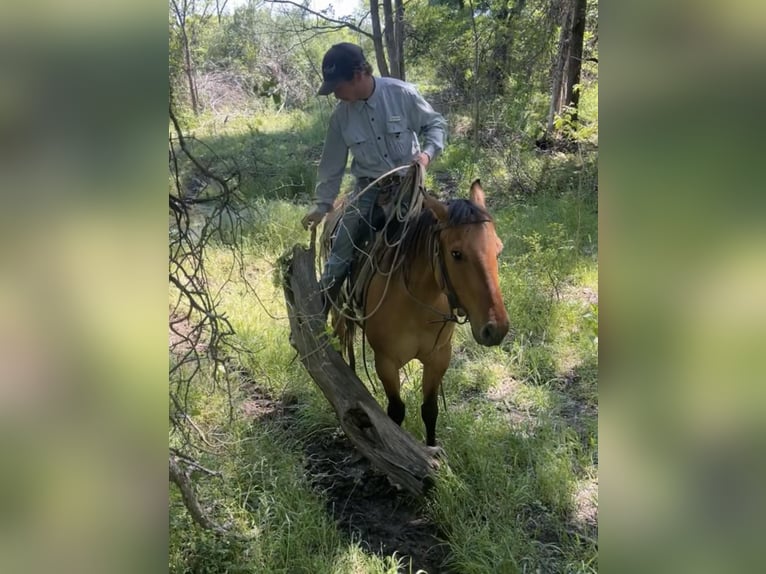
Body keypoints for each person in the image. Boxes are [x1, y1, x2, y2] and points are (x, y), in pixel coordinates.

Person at [301, 42, 447, 316]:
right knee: (343, 246)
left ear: (358, 75)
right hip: (368, 188)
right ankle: (320, 310)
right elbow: (331, 164)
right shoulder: (341, 117)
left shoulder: (401, 94)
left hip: (409, 186)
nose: (335, 95)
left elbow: (435, 124)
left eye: (338, 87)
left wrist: (426, 156)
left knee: (445, 240)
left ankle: (448, 304)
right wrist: (322, 206)